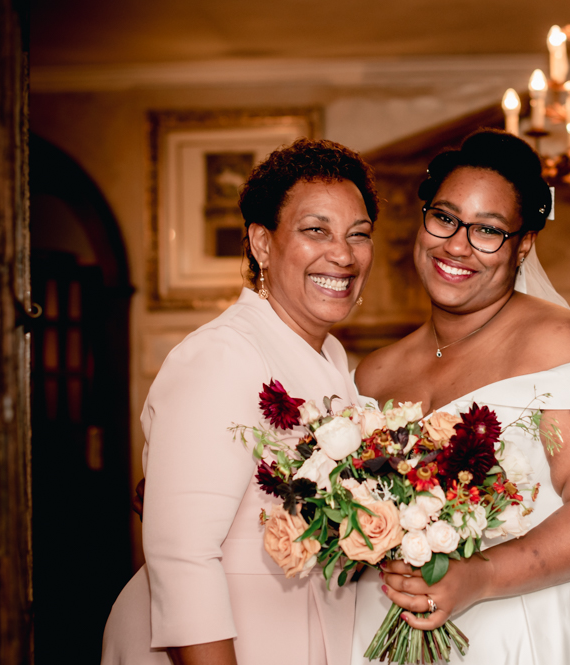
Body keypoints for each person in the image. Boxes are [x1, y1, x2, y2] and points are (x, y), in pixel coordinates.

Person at [350, 129, 570, 664]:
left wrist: (480, 576)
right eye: (444, 217)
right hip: (391, 624)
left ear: (524, 244)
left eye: (488, 230)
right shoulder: (374, 373)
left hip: (535, 627)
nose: (457, 245)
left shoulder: (564, 346)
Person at [102, 138, 379, 665]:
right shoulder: (220, 355)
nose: (342, 254)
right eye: (315, 230)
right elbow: (182, 555)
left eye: (358, 235)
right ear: (262, 244)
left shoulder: (331, 358)